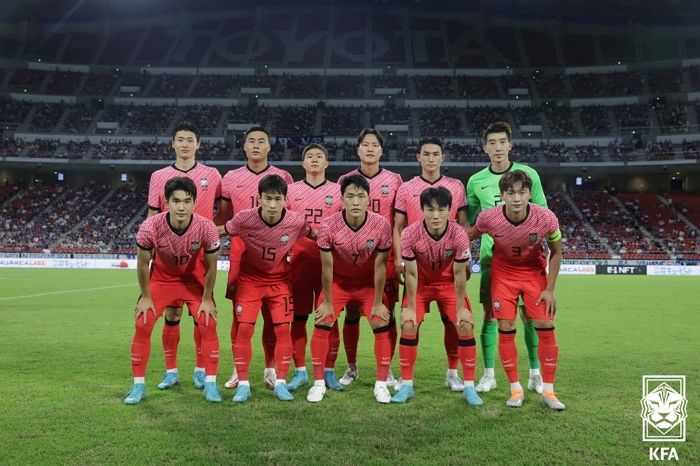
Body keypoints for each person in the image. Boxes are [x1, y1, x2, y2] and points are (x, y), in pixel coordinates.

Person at [469, 170, 565, 410]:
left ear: (530, 194)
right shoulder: (488, 218)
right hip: (503, 275)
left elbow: (557, 252)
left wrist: (550, 289)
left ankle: (549, 391)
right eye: (510, 192)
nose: (516, 198)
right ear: (502, 195)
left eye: (522, 192)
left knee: (545, 324)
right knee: (505, 326)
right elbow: (467, 236)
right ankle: (515, 389)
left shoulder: (546, 218)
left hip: (534, 275)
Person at [466, 121, 548, 395]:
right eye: (492, 142)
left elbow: (542, 213)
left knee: (530, 317)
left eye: (502, 141)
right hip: (493, 260)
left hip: (529, 261)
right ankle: (489, 375)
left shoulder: (529, 175)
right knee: (491, 316)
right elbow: (473, 220)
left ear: (510, 144)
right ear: (484, 147)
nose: (498, 147)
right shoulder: (476, 181)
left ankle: (535, 374)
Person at [124, 177, 221, 405]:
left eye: (187, 201)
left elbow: (211, 266)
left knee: (208, 322)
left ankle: (210, 384)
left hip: (194, 280)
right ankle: (138, 386)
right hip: (162, 280)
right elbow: (142, 264)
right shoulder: (150, 226)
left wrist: (207, 299)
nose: (181, 207)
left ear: (195, 203)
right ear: (166, 202)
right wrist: (146, 297)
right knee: (142, 322)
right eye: (176, 201)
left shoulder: (206, 227)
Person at [221, 174, 314, 403]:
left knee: (283, 330)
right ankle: (243, 384)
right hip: (250, 281)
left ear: (285, 199)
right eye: (268, 198)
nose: (273, 205)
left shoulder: (296, 221)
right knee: (244, 330)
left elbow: (317, 236)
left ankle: (281, 382)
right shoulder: (244, 218)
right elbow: (221, 230)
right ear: (259, 199)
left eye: (278, 198)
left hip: (280, 282)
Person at [146, 122, 223, 392]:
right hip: (169, 255)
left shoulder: (212, 175)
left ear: (198, 144)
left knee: (202, 314)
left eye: (190, 139)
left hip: (201, 255)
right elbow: (152, 215)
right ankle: (171, 372)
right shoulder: (159, 176)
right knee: (172, 312)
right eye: (180, 139)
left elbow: (223, 209)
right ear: (173, 143)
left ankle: (201, 371)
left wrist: (215, 233)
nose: (185, 144)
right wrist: (153, 247)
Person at [391, 187, 481, 406]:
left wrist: (460, 308)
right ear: (422, 210)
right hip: (420, 284)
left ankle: (467, 385)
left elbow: (460, 273)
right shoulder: (410, 233)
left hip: (448, 284)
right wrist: (411, 307)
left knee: (465, 323)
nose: (436, 215)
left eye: (441, 210)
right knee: (409, 323)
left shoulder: (459, 234)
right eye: (430, 210)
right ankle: (407, 385)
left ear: (450, 210)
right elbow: (411, 273)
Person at [219, 127, 294, 390]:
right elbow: (226, 217)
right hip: (242, 257)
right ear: (244, 146)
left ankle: (270, 369)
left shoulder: (283, 176)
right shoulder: (230, 178)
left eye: (261, 141)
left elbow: (290, 218)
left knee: (273, 317)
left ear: (269, 147)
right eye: (251, 141)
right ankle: (239, 370)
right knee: (240, 318)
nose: (256, 145)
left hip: (275, 258)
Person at [308, 174, 393, 403]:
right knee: (322, 320)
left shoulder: (381, 225)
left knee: (381, 321)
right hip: (338, 284)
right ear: (342, 199)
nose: (355, 202)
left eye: (361, 196)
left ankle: (381, 384)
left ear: (369, 199)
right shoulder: (328, 225)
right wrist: (326, 301)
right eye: (350, 196)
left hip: (367, 286)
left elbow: (380, 267)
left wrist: (377, 302)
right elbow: (326, 268)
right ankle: (318, 383)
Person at [393, 136, 469, 393]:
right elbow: (398, 226)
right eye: (426, 153)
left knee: (456, 322)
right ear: (418, 157)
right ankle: (407, 383)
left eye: (436, 153)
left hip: (448, 268)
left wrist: (466, 257)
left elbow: (463, 224)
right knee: (410, 321)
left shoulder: (456, 186)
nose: (431, 158)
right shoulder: (406, 188)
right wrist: (398, 258)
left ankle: (453, 374)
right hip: (418, 265)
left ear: (442, 157)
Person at [336, 129, 402, 389]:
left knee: (388, 313)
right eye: (366, 145)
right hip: (353, 259)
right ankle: (351, 366)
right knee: (351, 311)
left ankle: (385, 370)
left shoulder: (395, 180)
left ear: (381, 151)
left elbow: (399, 222)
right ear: (358, 149)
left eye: (375, 145)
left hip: (385, 258)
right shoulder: (346, 179)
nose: (370, 149)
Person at [285, 144, 342, 392]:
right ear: (303, 163)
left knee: (330, 318)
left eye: (320, 156)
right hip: (298, 264)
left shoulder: (339, 191)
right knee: (298, 318)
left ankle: (328, 371)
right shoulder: (291, 191)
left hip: (329, 265)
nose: (315, 160)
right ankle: (300, 372)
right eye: (310, 156)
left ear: (327, 163)